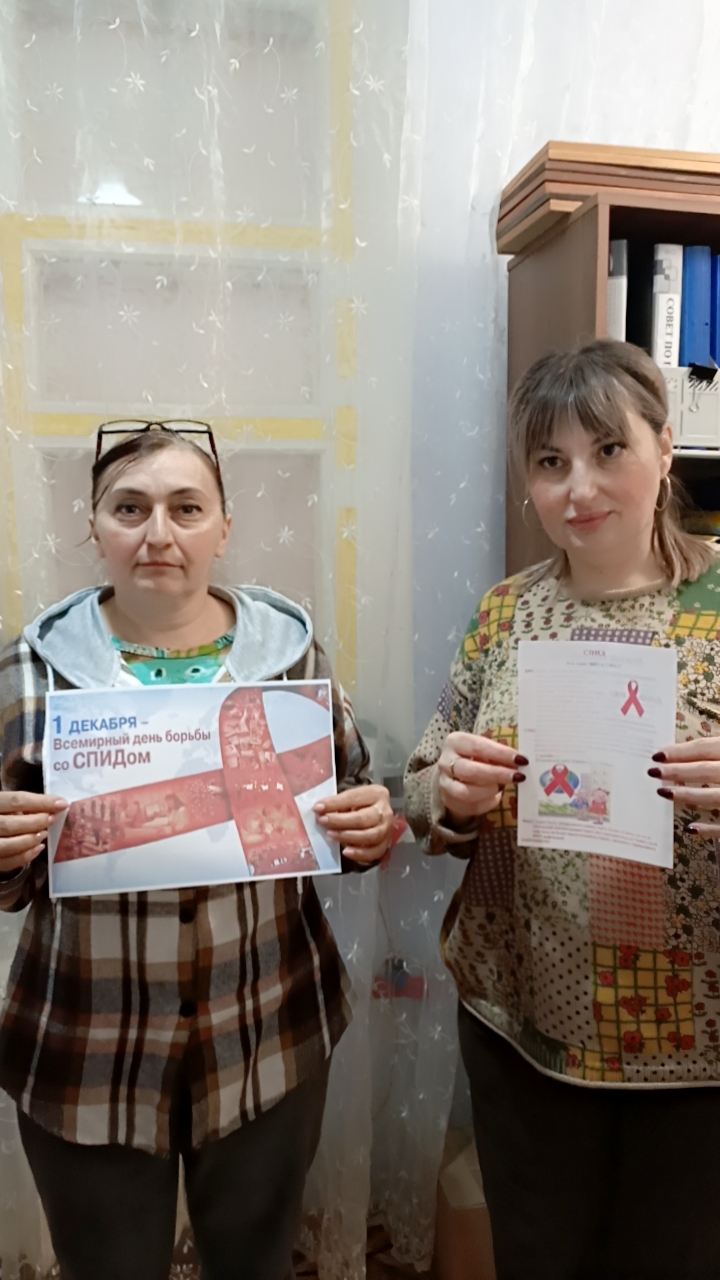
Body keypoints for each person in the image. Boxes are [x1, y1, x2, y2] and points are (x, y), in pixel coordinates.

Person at [0, 421, 394, 1280]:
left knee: (256, 1260)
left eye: (186, 508)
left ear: (223, 527)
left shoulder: (291, 654)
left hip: (270, 1029)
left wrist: (370, 824)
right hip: (86, 1044)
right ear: (94, 527)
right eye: (129, 509)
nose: (158, 534)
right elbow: (13, 879)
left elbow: (349, 808)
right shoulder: (28, 671)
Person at [405, 341, 720, 1280]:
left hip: (699, 1043)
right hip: (525, 1022)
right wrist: (447, 791)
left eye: (608, 450)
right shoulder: (505, 613)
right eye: (551, 462)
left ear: (664, 448)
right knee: (541, 1254)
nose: (579, 488)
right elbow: (421, 776)